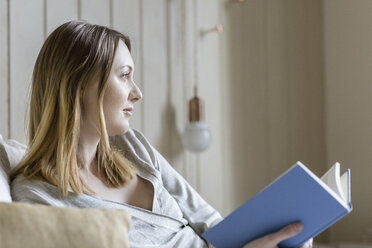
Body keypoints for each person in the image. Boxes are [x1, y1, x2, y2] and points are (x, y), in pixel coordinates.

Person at [10, 20, 312, 248]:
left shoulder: (133, 146)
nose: (137, 93)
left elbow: (209, 222)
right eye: (125, 76)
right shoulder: (37, 198)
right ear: (78, 85)